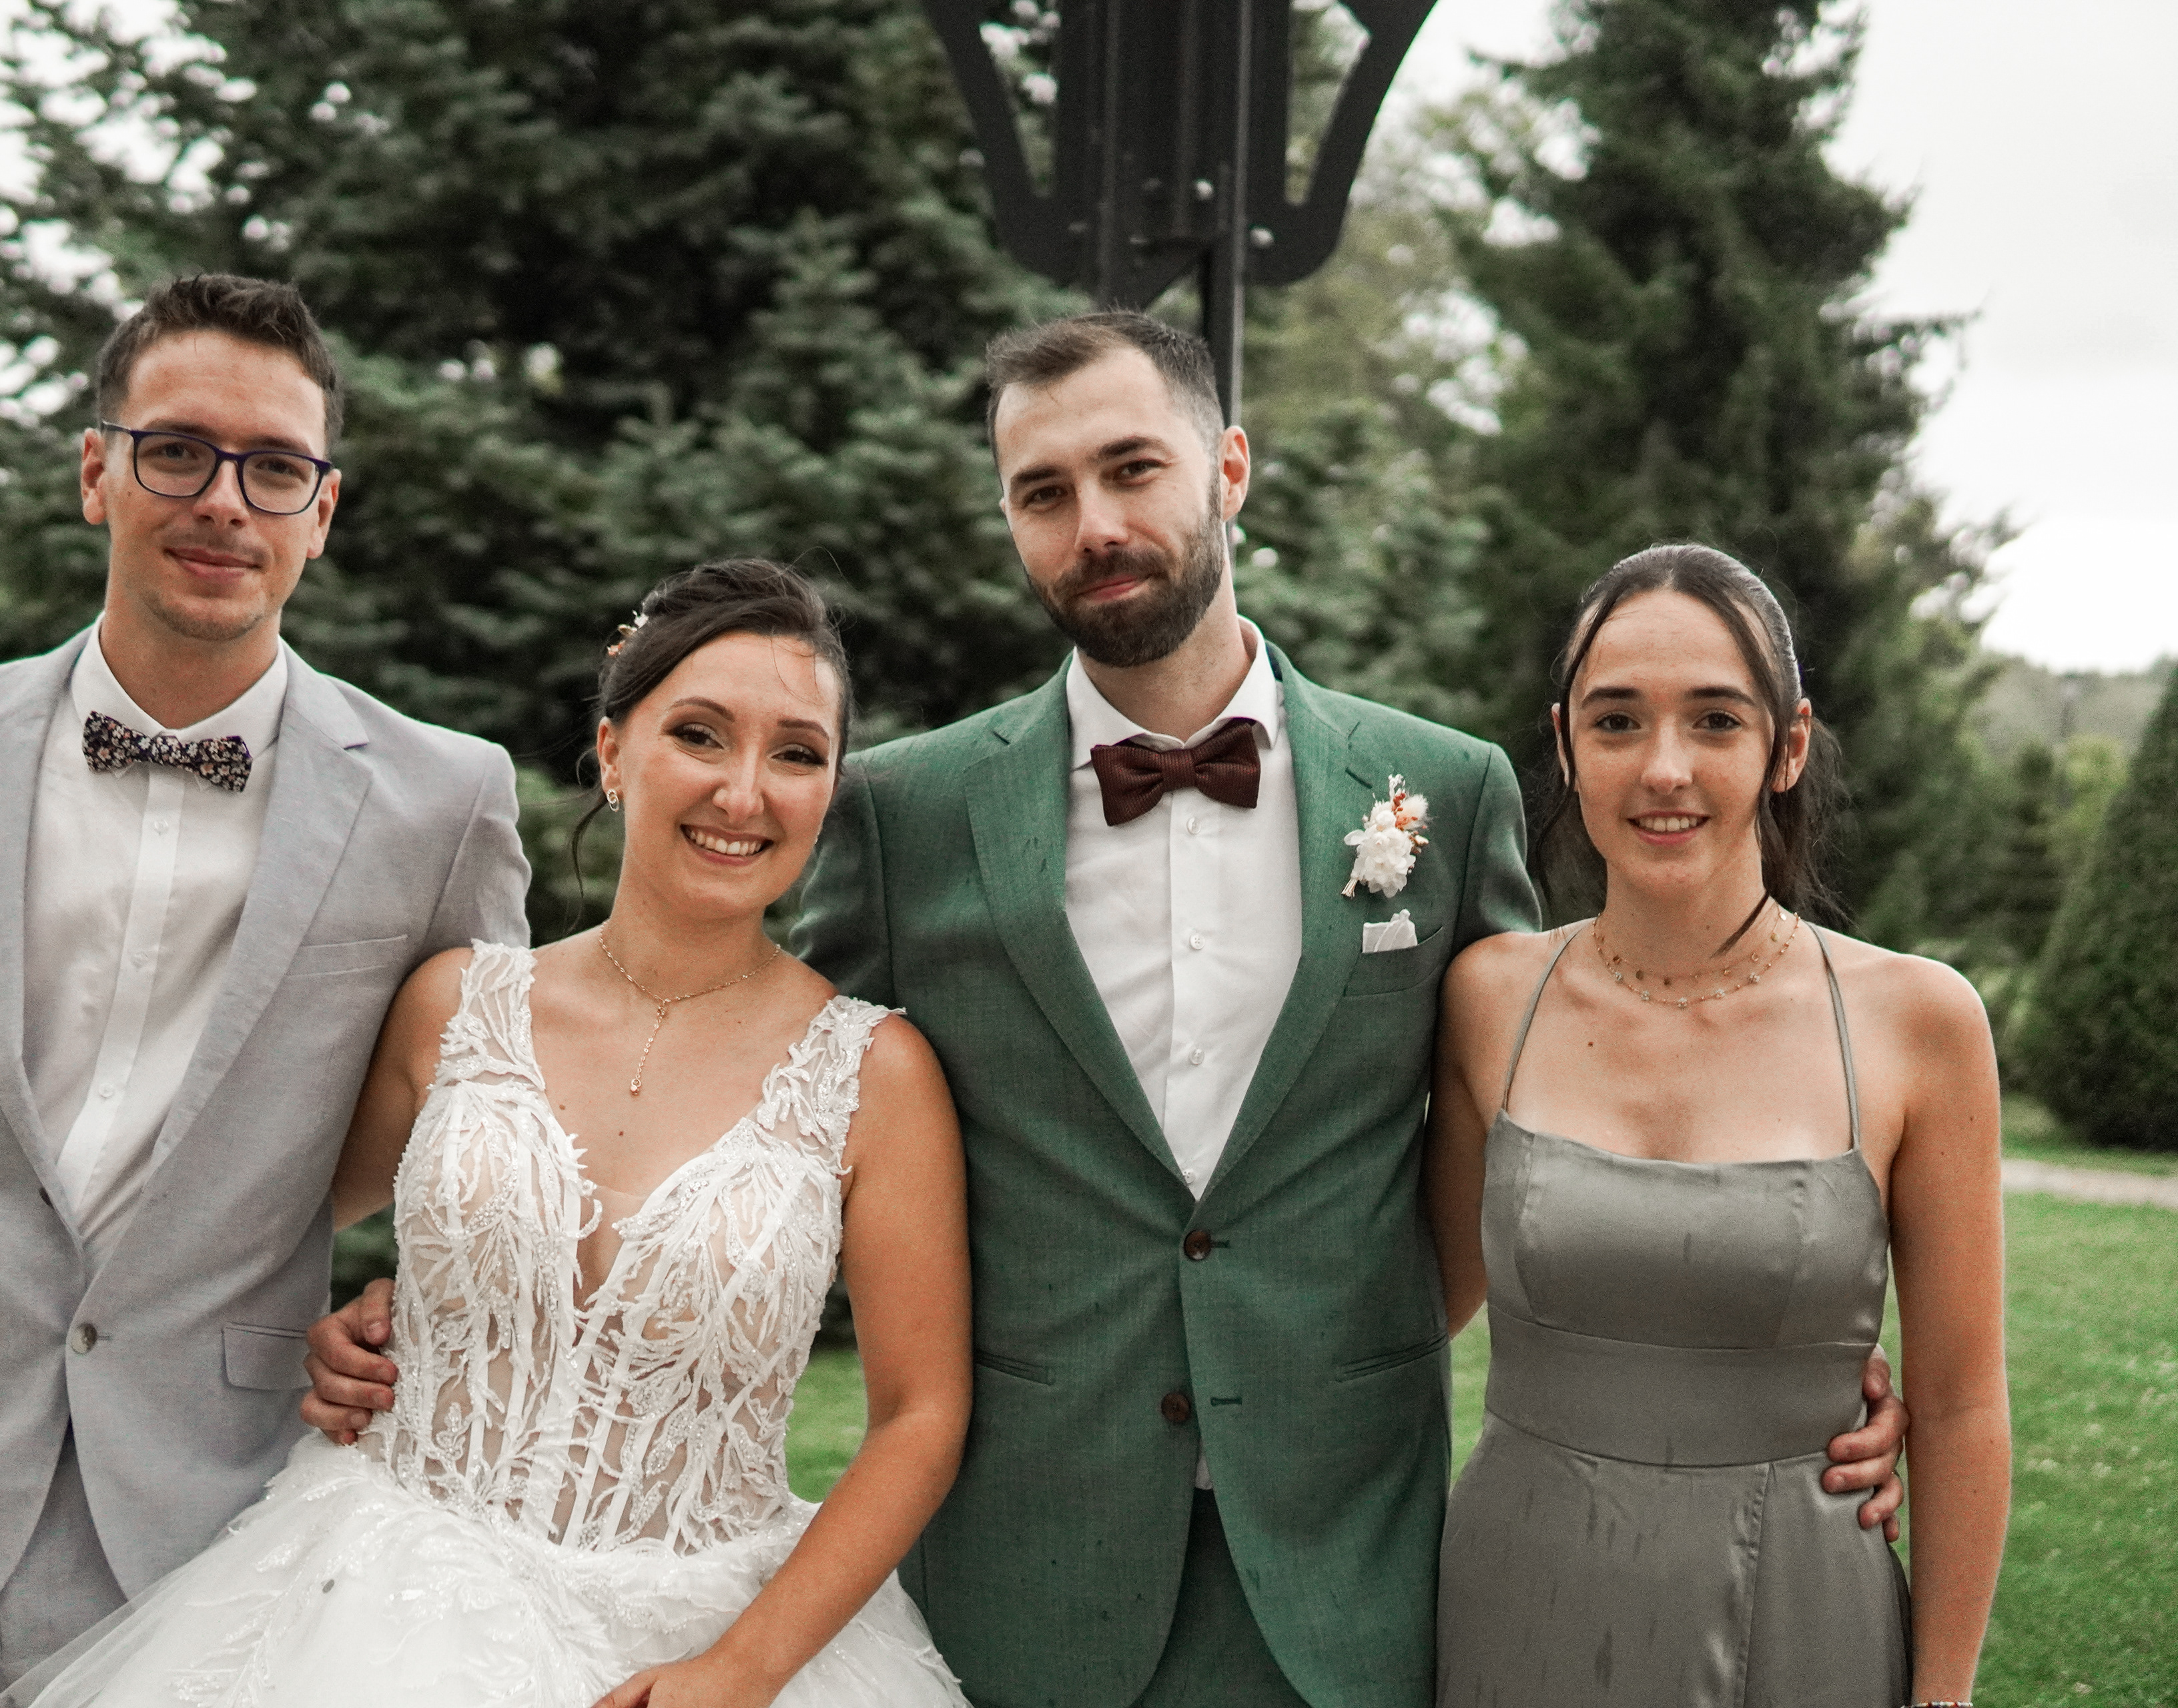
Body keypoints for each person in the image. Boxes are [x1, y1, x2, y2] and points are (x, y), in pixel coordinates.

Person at [306, 312, 1910, 1705]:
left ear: (1229, 468)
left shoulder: (1443, 789)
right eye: (1044, 492)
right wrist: (475, 1278)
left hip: (1341, 1555)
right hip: (1028, 1559)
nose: (1096, 523)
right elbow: (751, 1075)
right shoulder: (907, 810)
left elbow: (1552, 1113)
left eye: (1133, 469)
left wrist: (1739, 1355)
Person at [0, 274, 530, 1708]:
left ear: (322, 510)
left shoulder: (443, 801)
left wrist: (400, 1307)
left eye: (275, 468)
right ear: (98, 473)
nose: (225, 502)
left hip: (206, 1530)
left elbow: (493, 1160)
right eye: (178, 451)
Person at [0, 559, 974, 1707]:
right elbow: (254, 1230)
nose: (743, 791)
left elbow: (921, 1415)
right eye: (699, 735)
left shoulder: (876, 1073)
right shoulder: (454, 1006)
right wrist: (345, 1327)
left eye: (797, 754)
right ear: (615, 753)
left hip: (712, 1633)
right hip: (382, 1611)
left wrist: (742, 1669)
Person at [1425, 544, 2010, 1707]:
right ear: (1565, 745)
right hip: (1518, 1602)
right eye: (1618, 722)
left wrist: (1943, 1699)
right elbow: (1408, 1312)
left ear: (1787, 748)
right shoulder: (1489, 999)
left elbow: (1959, 1407)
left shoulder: (1918, 1023)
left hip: (1801, 1608)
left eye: (1716, 721)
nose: (1665, 769)